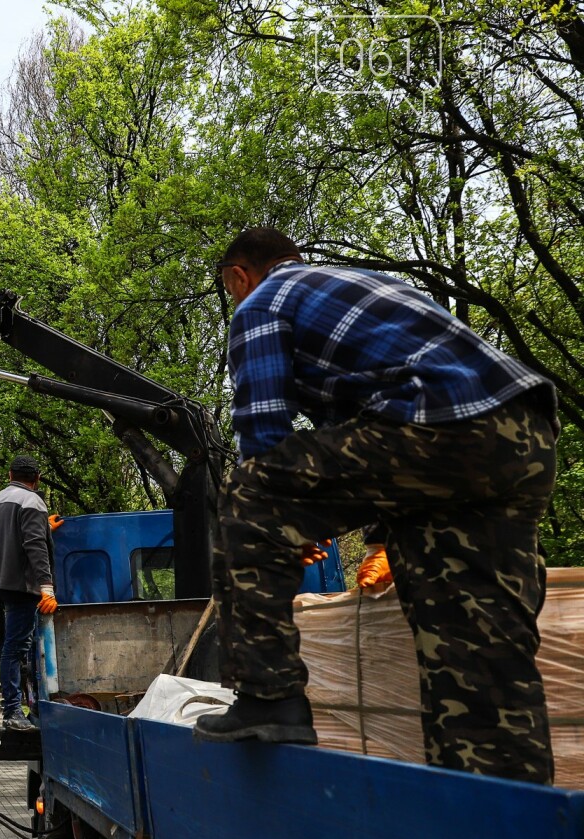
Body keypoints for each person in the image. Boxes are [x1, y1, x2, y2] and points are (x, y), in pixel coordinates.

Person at [194, 227, 559, 785]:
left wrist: (279, 519)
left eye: (229, 287)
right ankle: (505, 811)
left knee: (248, 492)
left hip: (438, 425)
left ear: (238, 275)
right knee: (475, 646)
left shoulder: (263, 300)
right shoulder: (374, 285)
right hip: (521, 434)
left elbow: (262, 433)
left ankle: (269, 697)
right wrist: (380, 540)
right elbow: (373, 441)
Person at [0, 453, 59, 732]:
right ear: (37, 478)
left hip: (2, 582)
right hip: (22, 585)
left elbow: (12, 537)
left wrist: (45, 526)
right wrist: (47, 589)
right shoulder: (32, 501)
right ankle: (13, 711)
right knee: (16, 648)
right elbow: (34, 547)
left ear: (10, 475)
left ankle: (23, 706)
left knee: (18, 647)